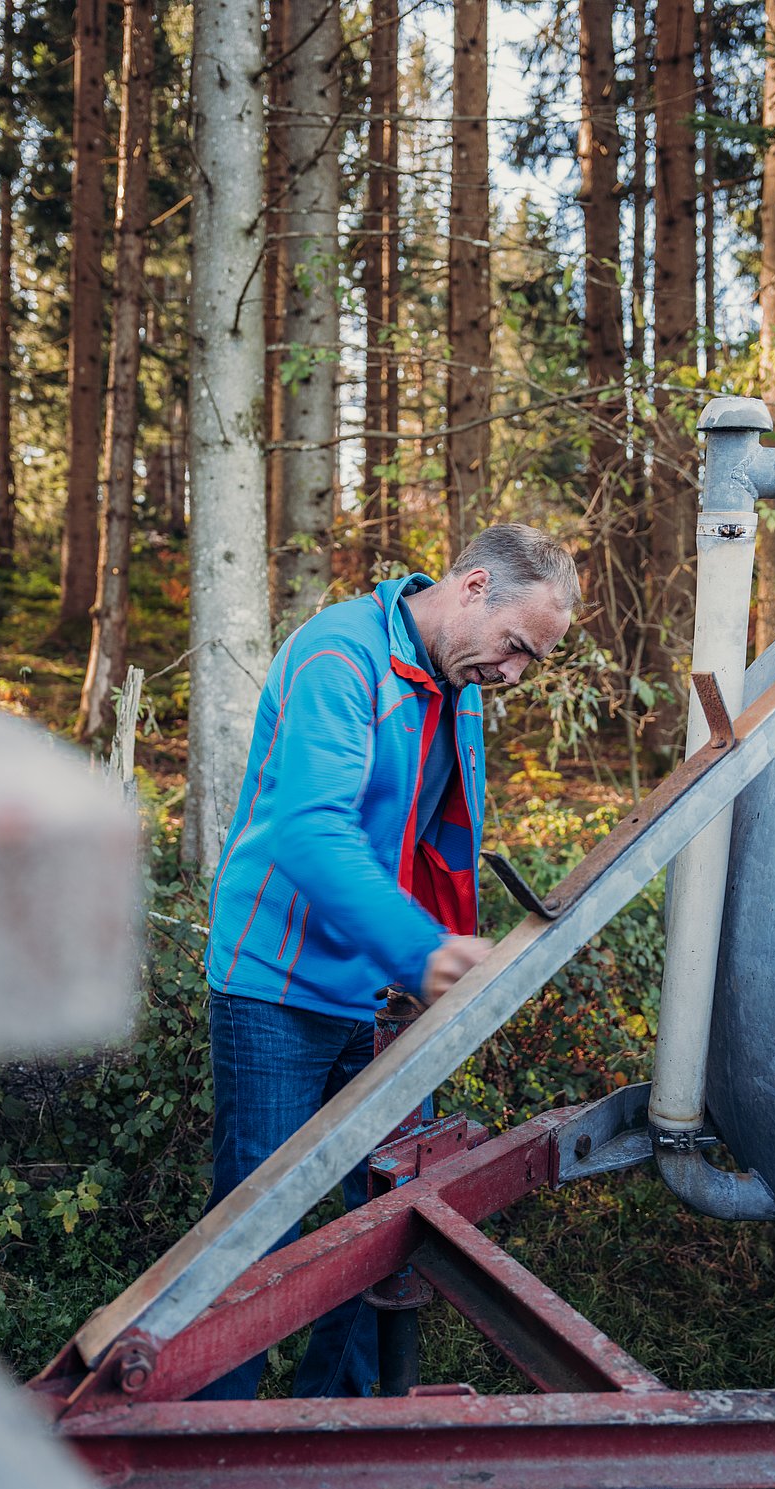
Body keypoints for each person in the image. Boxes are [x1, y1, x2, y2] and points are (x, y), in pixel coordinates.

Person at [199, 524, 580, 1399]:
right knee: (256, 1236)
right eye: (517, 647)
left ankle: (337, 1446)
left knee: (387, 1224)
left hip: (392, 1001)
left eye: (534, 661)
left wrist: (430, 980)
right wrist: (422, 954)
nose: (515, 673)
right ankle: (208, 1448)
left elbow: (438, 839)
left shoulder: (458, 680)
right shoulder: (340, 658)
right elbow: (310, 831)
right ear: (472, 586)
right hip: (280, 991)